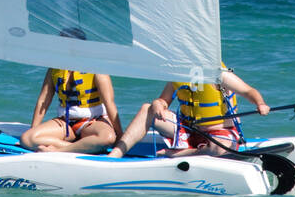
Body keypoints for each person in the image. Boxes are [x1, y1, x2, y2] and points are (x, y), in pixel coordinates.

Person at [107, 63, 269, 158]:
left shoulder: (220, 74)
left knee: (222, 149)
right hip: (188, 129)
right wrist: (158, 104)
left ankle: (180, 153)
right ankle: (116, 153)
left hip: (220, 133)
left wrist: (260, 103)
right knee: (147, 108)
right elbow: (164, 100)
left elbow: (249, 91)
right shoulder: (179, 73)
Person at [20, 68, 122, 153]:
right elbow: (43, 101)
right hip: (66, 123)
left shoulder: (96, 68)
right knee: (27, 139)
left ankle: (59, 151)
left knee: (108, 138)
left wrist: (120, 136)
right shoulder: (54, 69)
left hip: (92, 122)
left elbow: (109, 103)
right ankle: (83, 146)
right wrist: (33, 129)